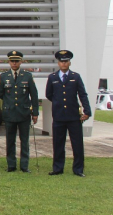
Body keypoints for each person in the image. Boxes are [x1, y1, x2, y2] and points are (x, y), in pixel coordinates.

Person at [46, 49, 91, 177]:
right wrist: (57, 103)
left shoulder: (75, 77)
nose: (64, 64)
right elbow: (49, 94)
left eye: (66, 61)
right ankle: (58, 168)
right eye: (61, 61)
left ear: (69, 63)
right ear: (58, 63)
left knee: (77, 144)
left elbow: (82, 94)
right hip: (59, 116)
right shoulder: (52, 77)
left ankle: (78, 169)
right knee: (58, 143)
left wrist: (87, 111)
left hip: (73, 116)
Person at [0, 50, 39, 173]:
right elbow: (1, 94)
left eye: (17, 61)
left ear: (21, 61)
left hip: (24, 113)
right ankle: (11, 165)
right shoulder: (4, 76)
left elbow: (34, 96)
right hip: (10, 113)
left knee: (24, 140)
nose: (14, 63)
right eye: (12, 61)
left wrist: (35, 113)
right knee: (10, 141)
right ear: (9, 62)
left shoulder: (27, 76)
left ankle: (24, 165)